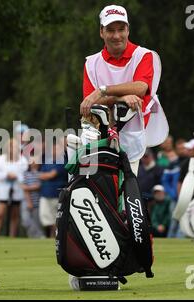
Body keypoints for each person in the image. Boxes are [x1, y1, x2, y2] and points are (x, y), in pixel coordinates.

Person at [80, 4, 165, 175]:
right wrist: (121, 98)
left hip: (131, 138)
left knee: (127, 195)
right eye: (110, 30)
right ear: (101, 32)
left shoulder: (143, 55)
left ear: (128, 30)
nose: (117, 35)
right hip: (98, 139)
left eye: (121, 29)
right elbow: (89, 105)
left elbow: (141, 88)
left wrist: (102, 91)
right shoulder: (91, 63)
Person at [0, 139, 28, 237]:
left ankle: (12, 236)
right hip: (3, 189)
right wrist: (6, 175)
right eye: (10, 146)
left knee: (14, 214)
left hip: (17, 189)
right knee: (0, 214)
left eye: (15, 147)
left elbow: (24, 175)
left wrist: (16, 176)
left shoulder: (22, 160)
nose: (12, 149)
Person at [39, 140, 67, 238]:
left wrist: (46, 175)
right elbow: (40, 175)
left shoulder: (63, 161)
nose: (55, 151)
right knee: (46, 218)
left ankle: (55, 237)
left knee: (56, 218)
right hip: (45, 194)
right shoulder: (48, 161)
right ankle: (50, 236)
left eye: (57, 149)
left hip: (57, 195)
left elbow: (52, 174)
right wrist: (46, 175)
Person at [21, 156, 44, 238]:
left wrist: (28, 187)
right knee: (25, 220)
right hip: (27, 201)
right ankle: (38, 235)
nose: (33, 163)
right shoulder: (26, 174)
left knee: (37, 221)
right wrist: (29, 202)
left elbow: (39, 186)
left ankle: (37, 237)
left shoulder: (41, 173)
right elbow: (24, 187)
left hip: (38, 201)